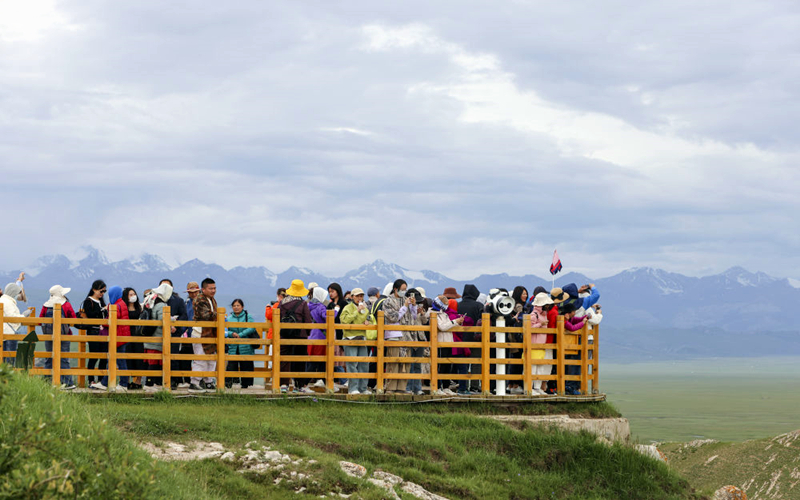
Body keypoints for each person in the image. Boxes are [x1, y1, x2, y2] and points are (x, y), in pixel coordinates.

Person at [383, 279, 423, 394]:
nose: (404, 292)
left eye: (405, 290)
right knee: (393, 362)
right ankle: (390, 388)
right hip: (394, 335)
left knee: (405, 362)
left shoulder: (406, 300)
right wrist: (405, 307)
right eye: (402, 289)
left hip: (407, 335)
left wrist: (413, 305)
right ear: (396, 289)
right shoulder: (388, 301)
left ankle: (402, 387)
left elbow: (413, 317)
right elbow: (393, 317)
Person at [39, 285, 76, 389]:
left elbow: (40, 320)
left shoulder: (46, 306)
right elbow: (73, 319)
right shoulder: (66, 305)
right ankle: (67, 382)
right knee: (63, 358)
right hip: (64, 336)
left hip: (49, 336)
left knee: (49, 358)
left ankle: (47, 382)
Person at [279, 280, 313, 391]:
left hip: (285, 333)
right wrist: (307, 333)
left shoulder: (282, 302)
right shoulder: (302, 303)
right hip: (300, 335)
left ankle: (284, 384)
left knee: (284, 359)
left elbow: (277, 317)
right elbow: (308, 320)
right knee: (300, 359)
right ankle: (299, 384)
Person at [339, 288, 373, 395]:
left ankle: (362, 388)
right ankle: (353, 388)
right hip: (350, 338)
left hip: (362, 338)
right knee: (352, 364)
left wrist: (368, 320)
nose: (360, 298)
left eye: (361, 296)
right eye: (357, 296)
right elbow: (344, 320)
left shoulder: (365, 308)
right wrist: (356, 312)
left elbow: (371, 318)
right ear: (352, 297)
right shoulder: (347, 308)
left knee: (364, 364)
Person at [158, 279, 189, 389]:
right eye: (163, 286)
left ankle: (174, 381)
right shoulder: (155, 300)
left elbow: (184, 315)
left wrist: (176, 327)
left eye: (168, 286)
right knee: (156, 356)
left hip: (174, 333)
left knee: (173, 356)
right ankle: (157, 380)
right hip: (158, 333)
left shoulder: (178, 300)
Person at [430, 295, 463, 395]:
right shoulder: (433, 313)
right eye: (444, 303)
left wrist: (458, 322)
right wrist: (454, 322)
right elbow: (442, 327)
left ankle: (446, 387)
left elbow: (448, 325)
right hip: (440, 343)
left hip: (448, 341)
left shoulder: (444, 314)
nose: (446, 305)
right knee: (440, 366)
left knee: (447, 365)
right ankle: (438, 387)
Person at [99, 286, 130, 392]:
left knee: (119, 361)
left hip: (118, 337)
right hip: (122, 336)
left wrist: (104, 321)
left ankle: (123, 384)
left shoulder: (116, 306)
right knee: (113, 360)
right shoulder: (121, 303)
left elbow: (112, 319)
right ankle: (105, 382)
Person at [143, 283, 172, 392]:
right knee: (155, 363)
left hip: (148, 337)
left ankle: (150, 383)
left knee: (151, 362)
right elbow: (163, 320)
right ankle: (150, 384)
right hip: (158, 337)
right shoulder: (161, 305)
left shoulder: (150, 300)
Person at [190, 278, 218, 393]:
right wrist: (219, 315)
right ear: (203, 289)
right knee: (200, 358)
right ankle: (194, 382)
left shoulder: (211, 299)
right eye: (210, 288)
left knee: (211, 359)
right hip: (200, 333)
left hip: (210, 333)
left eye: (214, 288)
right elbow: (205, 315)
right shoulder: (200, 299)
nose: (213, 290)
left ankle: (208, 381)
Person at [225, 299, 259, 389]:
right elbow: (225, 330)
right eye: (234, 306)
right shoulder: (229, 318)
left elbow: (251, 328)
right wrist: (231, 334)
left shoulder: (248, 316)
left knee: (246, 364)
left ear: (242, 307)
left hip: (246, 345)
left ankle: (245, 384)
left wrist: (240, 335)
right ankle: (228, 384)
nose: (236, 307)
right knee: (231, 364)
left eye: (238, 305)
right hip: (233, 345)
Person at [81, 280, 108, 390]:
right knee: (94, 356)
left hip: (103, 331)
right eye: (101, 291)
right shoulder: (88, 301)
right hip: (93, 331)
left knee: (103, 357)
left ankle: (101, 380)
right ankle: (91, 379)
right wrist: (102, 310)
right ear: (94, 289)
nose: (102, 294)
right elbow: (90, 315)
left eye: (104, 291)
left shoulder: (101, 301)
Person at [457, 284, 484, 393]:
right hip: (475, 339)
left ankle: (463, 386)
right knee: (476, 362)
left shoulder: (458, 305)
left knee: (463, 364)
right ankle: (474, 386)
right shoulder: (478, 305)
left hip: (460, 339)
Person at [1, 280, 32, 366]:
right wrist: (24, 316)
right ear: (13, 292)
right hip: (9, 334)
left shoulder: (4, 300)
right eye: (18, 293)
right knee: (10, 359)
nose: (18, 295)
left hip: (4, 333)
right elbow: (12, 318)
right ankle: (9, 378)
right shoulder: (8, 302)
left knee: (3, 359)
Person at [404, 287, 429, 395]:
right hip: (409, 337)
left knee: (418, 364)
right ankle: (408, 388)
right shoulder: (405, 309)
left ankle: (417, 388)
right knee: (410, 364)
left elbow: (425, 322)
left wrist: (422, 313)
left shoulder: (419, 310)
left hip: (420, 337)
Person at [530, 292, 555, 395]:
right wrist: (540, 324)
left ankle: (537, 387)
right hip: (534, 344)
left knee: (540, 366)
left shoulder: (543, 315)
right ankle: (530, 387)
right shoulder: (533, 315)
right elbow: (529, 328)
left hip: (541, 344)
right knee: (533, 367)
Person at [305, 286, 328, 389]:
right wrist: (335, 311)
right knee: (316, 362)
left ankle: (326, 382)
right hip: (320, 336)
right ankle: (303, 383)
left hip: (310, 336)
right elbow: (327, 317)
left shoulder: (308, 305)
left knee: (318, 361)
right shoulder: (320, 306)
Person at [122, 287, 144, 390]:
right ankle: (126, 381)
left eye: (134, 294)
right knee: (127, 357)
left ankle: (138, 381)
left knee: (139, 358)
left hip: (138, 335)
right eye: (130, 295)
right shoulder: (124, 307)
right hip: (127, 335)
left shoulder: (139, 308)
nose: (133, 296)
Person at [327, 283, 348, 386]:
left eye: (332, 291)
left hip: (340, 332)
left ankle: (343, 379)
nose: (331, 294)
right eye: (329, 292)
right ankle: (338, 379)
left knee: (340, 355)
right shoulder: (330, 305)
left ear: (337, 291)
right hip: (331, 332)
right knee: (333, 355)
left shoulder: (344, 303)